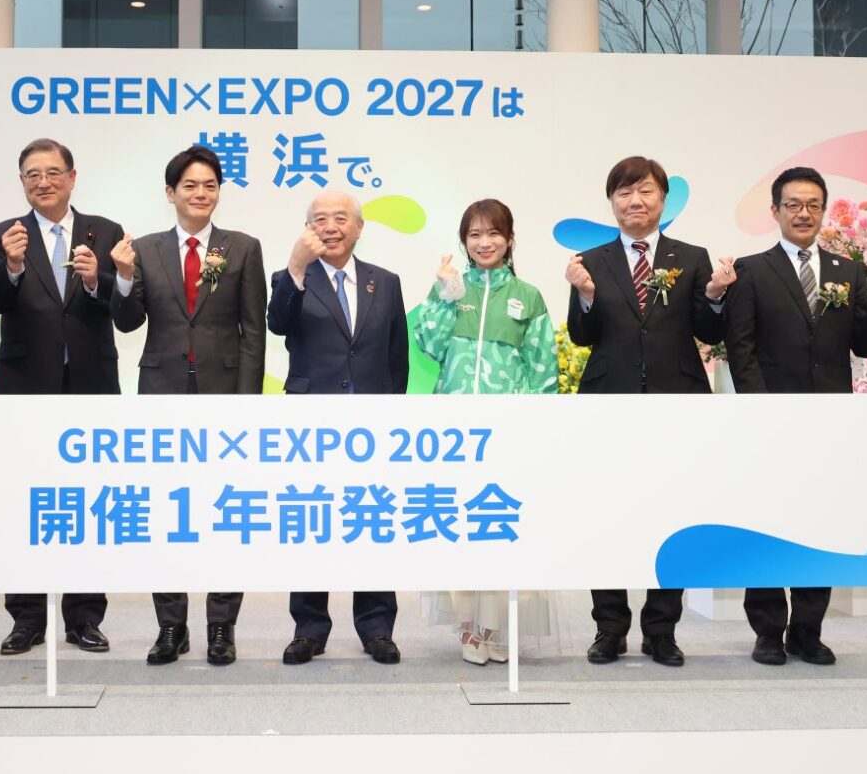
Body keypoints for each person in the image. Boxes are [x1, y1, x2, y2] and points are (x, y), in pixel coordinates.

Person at [724, 166, 867, 666]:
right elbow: (741, 348)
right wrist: (762, 410)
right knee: (766, 523)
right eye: (793, 205)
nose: (803, 213)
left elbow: (863, 344)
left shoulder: (848, 271)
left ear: (823, 211)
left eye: (813, 205)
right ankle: (767, 631)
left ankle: (807, 630)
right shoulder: (751, 271)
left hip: (829, 421)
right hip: (770, 421)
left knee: (820, 523)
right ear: (775, 211)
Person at [566, 156, 735, 668]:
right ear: (611, 202)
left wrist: (714, 295)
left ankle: (661, 631)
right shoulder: (590, 261)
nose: (634, 201)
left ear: (663, 199)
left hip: (677, 402)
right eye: (624, 193)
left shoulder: (693, 256)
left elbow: (709, 330)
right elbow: (581, 336)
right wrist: (585, 296)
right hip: (609, 403)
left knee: (673, 514)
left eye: (645, 191)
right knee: (606, 515)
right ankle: (609, 628)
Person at [111, 145, 265, 666]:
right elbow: (128, 322)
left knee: (227, 510)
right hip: (162, 393)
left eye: (210, 186)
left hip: (226, 395)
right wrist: (123, 277)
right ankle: (170, 626)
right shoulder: (144, 249)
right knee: (165, 510)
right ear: (170, 192)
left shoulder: (243, 247)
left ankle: (222, 625)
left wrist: (248, 401)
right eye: (191, 186)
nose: (201, 194)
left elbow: (252, 330)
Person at [0, 138, 123, 658]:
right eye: (32, 174)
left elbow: (125, 306)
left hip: (90, 382)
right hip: (26, 384)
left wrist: (97, 280)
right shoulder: (4, 234)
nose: (43, 182)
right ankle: (26, 618)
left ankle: (85, 618)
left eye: (53, 172)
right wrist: (13, 267)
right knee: (26, 501)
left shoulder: (105, 231)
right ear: (22, 182)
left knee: (87, 501)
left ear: (72, 177)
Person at [411, 199, 558, 664]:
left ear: (509, 240)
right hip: (456, 434)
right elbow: (429, 344)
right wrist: (442, 296)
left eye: (493, 233)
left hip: (508, 433)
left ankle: (493, 627)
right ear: (464, 242)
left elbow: (543, 367)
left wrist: (533, 427)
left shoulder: (529, 296)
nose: (484, 242)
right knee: (462, 525)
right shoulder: (452, 288)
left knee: (500, 523)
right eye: (474, 235)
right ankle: (468, 629)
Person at [266, 188, 409, 666]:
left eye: (341, 218)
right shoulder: (291, 277)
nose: (331, 227)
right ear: (309, 228)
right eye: (320, 219)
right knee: (312, 521)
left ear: (359, 227)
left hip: (373, 423)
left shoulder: (385, 282)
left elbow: (397, 355)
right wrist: (296, 266)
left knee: (372, 518)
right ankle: (309, 628)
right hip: (311, 424)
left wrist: (392, 415)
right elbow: (277, 323)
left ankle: (377, 627)